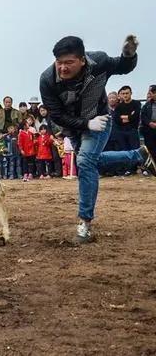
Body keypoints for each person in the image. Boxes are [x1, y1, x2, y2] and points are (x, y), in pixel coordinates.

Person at [39, 34, 155, 244]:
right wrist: (85, 124)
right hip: (74, 127)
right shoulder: (47, 80)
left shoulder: (99, 62)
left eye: (69, 62)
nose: (63, 68)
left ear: (82, 60)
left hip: (100, 120)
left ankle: (85, 223)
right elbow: (56, 115)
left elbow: (122, 66)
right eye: (59, 62)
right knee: (91, 162)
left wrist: (129, 55)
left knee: (84, 161)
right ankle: (137, 155)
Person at [113, 85, 142, 151]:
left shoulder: (137, 103)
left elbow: (135, 116)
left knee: (135, 151)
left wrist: (122, 117)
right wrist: (129, 117)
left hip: (133, 131)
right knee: (124, 151)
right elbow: (117, 119)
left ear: (131, 93)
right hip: (121, 131)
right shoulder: (119, 106)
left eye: (127, 93)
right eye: (123, 94)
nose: (125, 95)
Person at [140, 85, 156, 163]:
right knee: (150, 149)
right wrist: (149, 123)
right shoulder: (147, 105)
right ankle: (152, 166)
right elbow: (143, 116)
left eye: (152, 93)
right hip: (150, 129)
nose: (150, 95)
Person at [18, 116, 36, 182]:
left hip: (31, 150)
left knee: (31, 163)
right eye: (27, 124)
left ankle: (30, 174)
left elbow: (33, 140)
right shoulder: (21, 133)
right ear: (24, 126)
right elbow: (20, 143)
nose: (28, 124)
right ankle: (25, 174)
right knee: (25, 163)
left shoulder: (30, 133)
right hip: (25, 151)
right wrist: (21, 150)